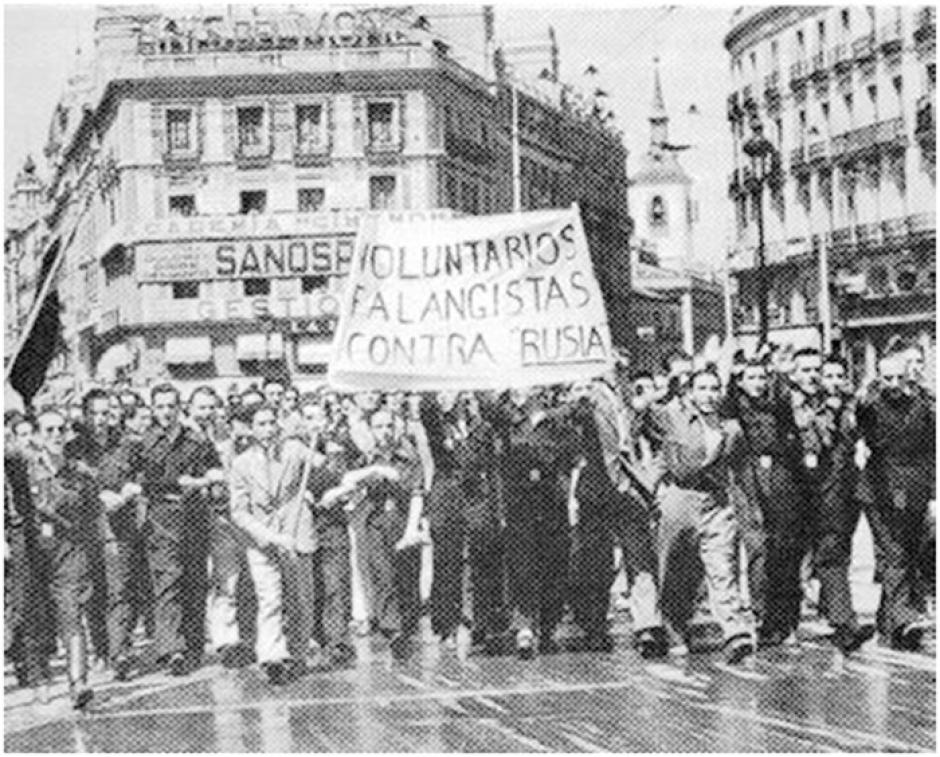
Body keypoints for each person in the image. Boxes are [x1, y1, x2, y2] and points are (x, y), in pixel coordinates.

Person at [102, 383, 223, 675]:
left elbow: (215, 469)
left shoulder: (195, 439)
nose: (167, 412)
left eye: (171, 406)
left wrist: (204, 480)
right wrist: (126, 489)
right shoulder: (141, 442)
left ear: (179, 407)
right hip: (160, 518)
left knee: (195, 580)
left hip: (194, 516)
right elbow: (119, 476)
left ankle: (193, 646)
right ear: (153, 409)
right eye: (161, 407)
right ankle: (172, 649)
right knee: (167, 581)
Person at [642, 368, 755, 664]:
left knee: (722, 566)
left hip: (716, 503)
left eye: (714, 388)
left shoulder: (730, 427)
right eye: (702, 388)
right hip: (680, 499)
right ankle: (674, 630)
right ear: (690, 392)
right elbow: (640, 418)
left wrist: (742, 502)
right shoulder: (672, 416)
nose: (709, 395)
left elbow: (739, 466)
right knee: (675, 569)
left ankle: (734, 631)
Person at [566, 378, 667, 657]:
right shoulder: (580, 402)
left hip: (630, 489)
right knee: (596, 560)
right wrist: (580, 399)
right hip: (594, 490)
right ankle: (595, 624)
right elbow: (570, 429)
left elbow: (663, 440)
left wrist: (651, 477)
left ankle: (647, 625)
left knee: (640, 557)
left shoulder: (628, 397)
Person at [723, 358, 805, 648]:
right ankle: (763, 616)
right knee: (758, 549)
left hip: (780, 475)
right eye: (751, 377)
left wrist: (781, 371)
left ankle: (786, 618)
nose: (757, 383)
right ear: (741, 380)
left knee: (784, 547)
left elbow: (789, 406)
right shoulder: (733, 405)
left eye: (762, 377)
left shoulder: (778, 401)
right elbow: (726, 399)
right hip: (747, 476)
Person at [229, 404, 312, 684]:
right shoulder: (241, 464)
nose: (267, 430)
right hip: (261, 540)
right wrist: (269, 536)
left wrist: (319, 437)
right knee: (270, 599)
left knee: (299, 598)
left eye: (270, 423)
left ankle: (298, 653)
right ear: (251, 429)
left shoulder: (295, 450)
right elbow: (239, 512)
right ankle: (272, 656)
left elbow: (324, 467)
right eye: (260, 424)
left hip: (294, 533)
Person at [858, 350, 935, 651]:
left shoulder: (923, 405)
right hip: (880, 489)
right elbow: (858, 421)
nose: (893, 384)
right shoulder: (871, 404)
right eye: (887, 378)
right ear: (878, 377)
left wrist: (933, 493)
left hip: (914, 488)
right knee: (895, 553)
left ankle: (890, 626)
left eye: (899, 378)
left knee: (909, 553)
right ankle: (904, 617)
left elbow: (932, 449)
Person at [496, 386, 578, 658]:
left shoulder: (559, 425)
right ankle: (525, 625)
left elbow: (572, 461)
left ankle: (548, 624)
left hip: (551, 501)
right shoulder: (509, 424)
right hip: (520, 503)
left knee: (553, 564)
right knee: (522, 566)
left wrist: (570, 499)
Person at [422, 391, 505, 653]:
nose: (451, 396)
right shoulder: (438, 422)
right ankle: (446, 624)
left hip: (476, 496)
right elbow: (426, 410)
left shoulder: (482, 425)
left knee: (483, 558)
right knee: (447, 561)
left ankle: (482, 621)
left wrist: (476, 385)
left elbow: (492, 464)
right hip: (446, 495)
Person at [28, 407, 99, 708]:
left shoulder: (79, 471)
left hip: (69, 551)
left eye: (61, 429)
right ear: (36, 435)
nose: (56, 435)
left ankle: (78, 682)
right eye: (49, 430)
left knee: (72, 613)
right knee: (34, 618)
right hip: (31, 552)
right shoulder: (23, 469)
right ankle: (39, 678)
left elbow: (93, 510)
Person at [347, 407, 425, 660]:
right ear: (371, 430)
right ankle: (394, 631)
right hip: (375, 523)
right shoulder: (366, 458)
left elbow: (416, 493)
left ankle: (408, 627)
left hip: (402, 521)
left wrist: (412, 528)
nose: (385, 432)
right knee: (383, 576)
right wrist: (375, 470)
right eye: (379, 427)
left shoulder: (408, 457)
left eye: (388, 426)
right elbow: (347, 480)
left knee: (407, 577)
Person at [66, 388, 122, 670]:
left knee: (118, 588)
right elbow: (73, 484)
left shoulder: (123, 442)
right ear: (85, 415)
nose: (100, 420)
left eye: (105, 414)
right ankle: (102, 649)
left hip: (118, 526)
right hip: (86, 529)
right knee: (94, 593)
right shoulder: (74, 448)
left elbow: (134, 474)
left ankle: (118, 652)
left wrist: (125, 493)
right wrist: (98, 495)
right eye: (94, 414)